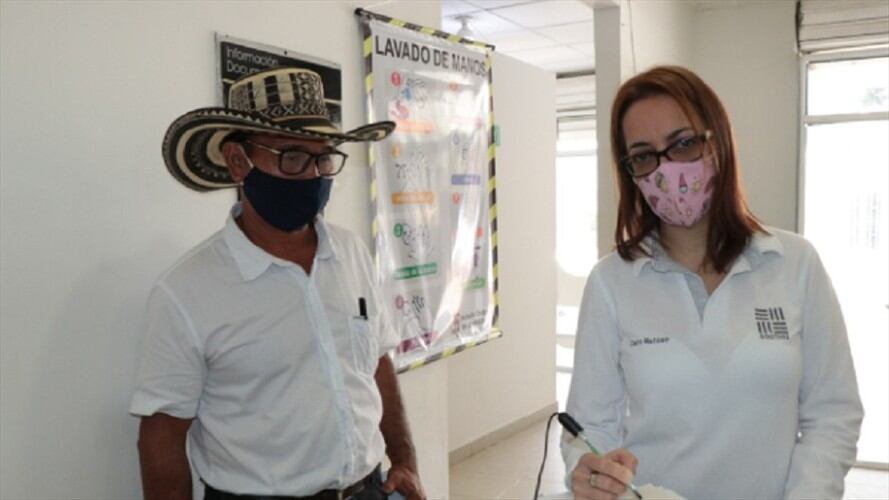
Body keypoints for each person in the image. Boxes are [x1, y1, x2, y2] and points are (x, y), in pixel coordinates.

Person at [560, 66, 863, 500]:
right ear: (630, 172)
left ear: (717, 141)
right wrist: (590, 471)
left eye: (683, 144)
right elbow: (589, 428)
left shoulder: (795, 264)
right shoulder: (612, 282)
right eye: (644, 156)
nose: (667, 171)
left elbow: (832, 413)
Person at [131, 67, 426, 500]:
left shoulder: (351, 253)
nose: (313, 176)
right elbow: (162, 434)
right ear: (238, 161)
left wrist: (404, 459)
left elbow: (376, 363)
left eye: (324, 158)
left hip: (368, 489)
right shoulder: (186, 291)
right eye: (292, 158)